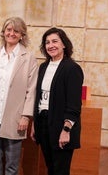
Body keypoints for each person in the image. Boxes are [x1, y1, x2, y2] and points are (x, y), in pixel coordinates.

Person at [0, 17, 38, 175]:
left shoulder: (28, 58)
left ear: (22, 35)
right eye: (9, 30)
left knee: (12, 166)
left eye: (16, 31)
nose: (11, 33)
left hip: (14, 118)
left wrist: (25, 116)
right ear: (3, 32)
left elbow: (31, 90)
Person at [30, 27, 84, 175]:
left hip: (61, 126)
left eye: (55, 41)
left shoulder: (72, 68)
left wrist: (66, 130)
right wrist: (35, 123)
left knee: (60, 170)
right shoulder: (43, 67)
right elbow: (38, 98)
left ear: (64, 44)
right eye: (47, 42)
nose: (50, 45)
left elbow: (74, 105)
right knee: (51, 168)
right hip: (44, 123)